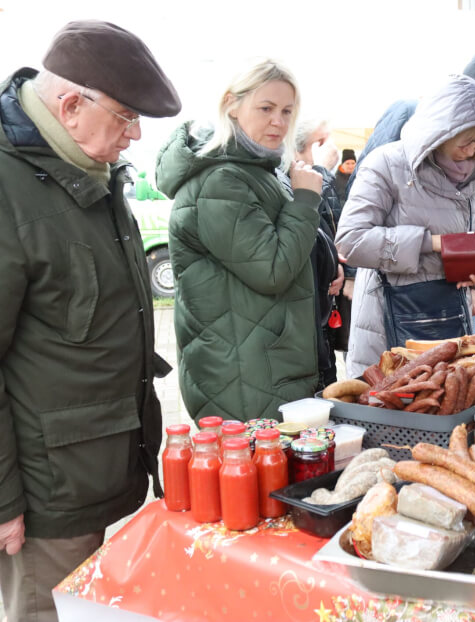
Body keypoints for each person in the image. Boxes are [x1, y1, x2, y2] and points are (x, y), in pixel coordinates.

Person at [0, 20, 179, 621]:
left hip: (93, 470)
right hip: (44, 496)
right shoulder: (8, 186)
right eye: (127, 118)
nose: (134, 137)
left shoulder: (87, 168)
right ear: (71, 104)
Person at [156, 59, 322, 422]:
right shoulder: (222, 181)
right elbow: (272, 270)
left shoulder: (256, 172)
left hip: (261, 363)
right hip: (245, 376)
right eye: (266, 108)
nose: (278, 121)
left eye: (286, 111)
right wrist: (306, 200)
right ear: (232, 103)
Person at [335, 75, 475, 378]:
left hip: (450, 316)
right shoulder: (385, 163)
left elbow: (472, 235)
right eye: (466, 140)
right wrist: (433, 243)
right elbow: (350, 241)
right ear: (440, 131)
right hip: (387, 318)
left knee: (448, 396)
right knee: (391, 401)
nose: (472, 151)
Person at [343, 48, 475, 313]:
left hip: (450, 301)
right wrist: (351, 273)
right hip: (394, 299)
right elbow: (360, 206)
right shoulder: (405, 118)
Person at [295, 119, 346, 388]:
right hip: (308, 321)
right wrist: (322, 171)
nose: (333, 147)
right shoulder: (302, 177)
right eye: (323, 141)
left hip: (321, 313)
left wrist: (335, 262)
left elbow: (326, 232)